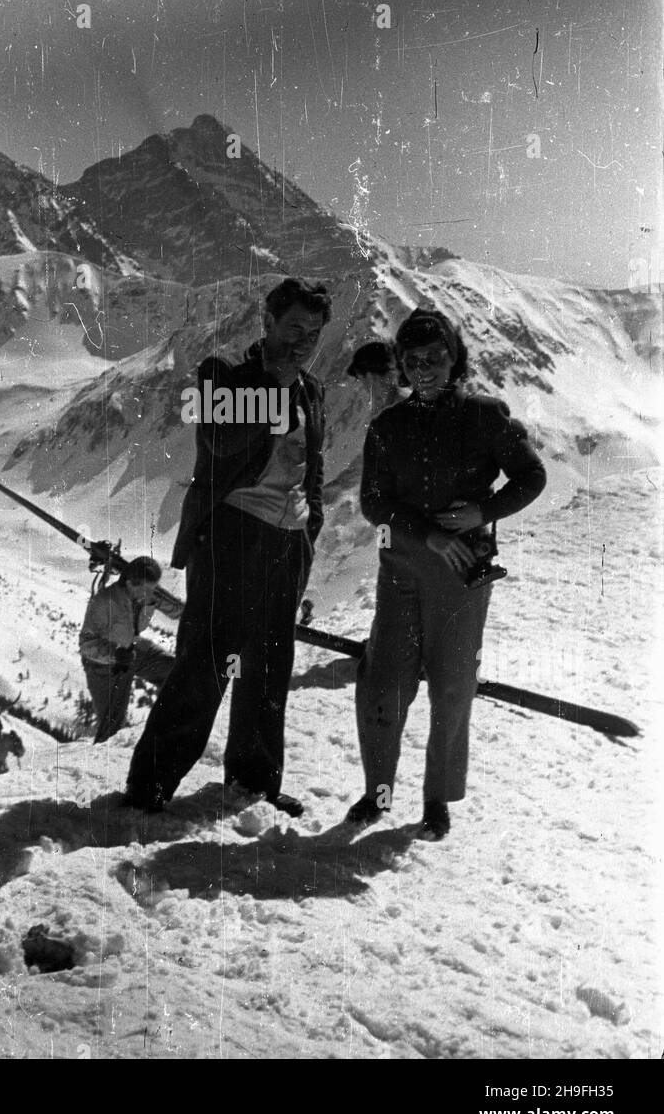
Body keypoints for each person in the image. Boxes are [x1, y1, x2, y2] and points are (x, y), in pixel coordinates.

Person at [123, 277, 332, 817]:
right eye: (293, 329)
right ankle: (150, 786)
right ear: (267, 324)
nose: (302, 342)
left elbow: (313, 472)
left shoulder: (313, 390)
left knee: (269, 665)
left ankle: (255, 781)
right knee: (208, 661)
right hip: (234, 535)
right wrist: (271, 385)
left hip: (288, 541)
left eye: (312, 334)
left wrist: (309, 533)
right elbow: (219, 439)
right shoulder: (224, 375)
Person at [347, 307, 546, 839]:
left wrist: (485, 513)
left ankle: (437, 800)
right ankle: (377, 791)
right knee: (382, 683)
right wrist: (428, 533)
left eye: (435, 358)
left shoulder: (484, 415)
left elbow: (532, 475)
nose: (425, 369)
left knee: (452, 689)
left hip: (462, 577)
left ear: (454, 357)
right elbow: (373, 502)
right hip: (402, 572)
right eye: (413, 361)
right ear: (403, 367)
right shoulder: (388, 426)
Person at [79, 555, 163, 742]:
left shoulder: (138, 599)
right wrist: (114, 653)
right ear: (131, 583)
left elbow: (138, 628)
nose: (150, 594)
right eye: (147, 589)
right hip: (102, 666)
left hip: (131, 651)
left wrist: (149, 605)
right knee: (111, 728)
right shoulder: (104, 602)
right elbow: (86, 644)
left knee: (174, 669)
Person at [347, 340, 403, 416]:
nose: (361, 385)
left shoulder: (395, 410)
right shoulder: (389, 402)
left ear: (369, 376)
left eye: (359, 378)